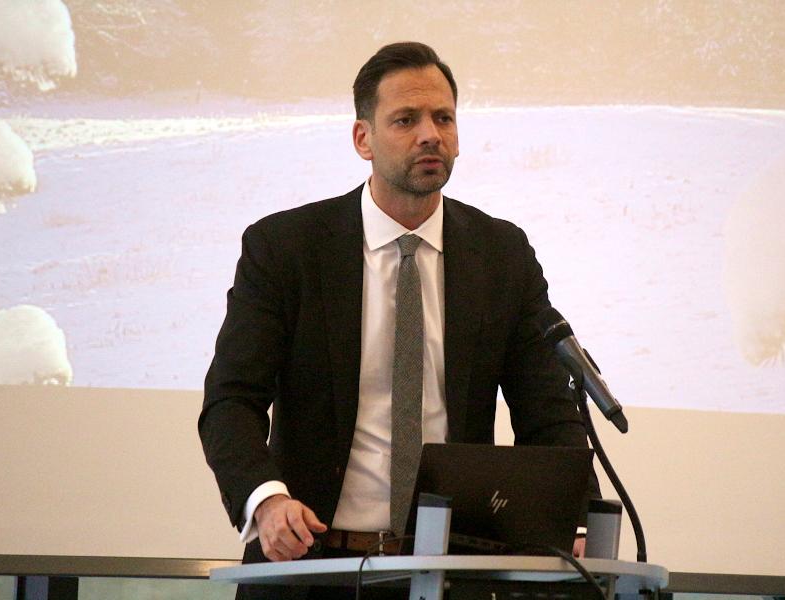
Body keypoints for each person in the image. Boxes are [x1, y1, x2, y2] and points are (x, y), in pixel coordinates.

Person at [198, 41, 596, 600]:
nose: (430, 134)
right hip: (314, 570)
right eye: (406, 120)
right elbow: (231, 401)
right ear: (363, 139)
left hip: (453, 576)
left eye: (443, 118)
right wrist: (265, 499)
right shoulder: (286, 248)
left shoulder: (500, 253)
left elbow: (548, 410)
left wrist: (571, 521)